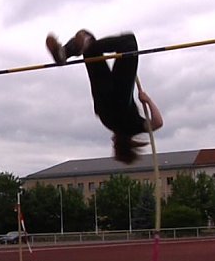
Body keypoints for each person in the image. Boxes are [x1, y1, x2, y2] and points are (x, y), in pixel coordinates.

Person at [46, 29, 163, 163]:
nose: (111, 141)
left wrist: (147, 100)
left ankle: (66, 52)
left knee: (129, 43)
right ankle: (73, 50)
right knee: (89, 47)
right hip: (103, 89)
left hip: (121, 87)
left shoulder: (135, 127)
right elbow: (98, 106)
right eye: (114, 145)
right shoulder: (108, 123)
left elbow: (158, 122)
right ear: (118, 145)